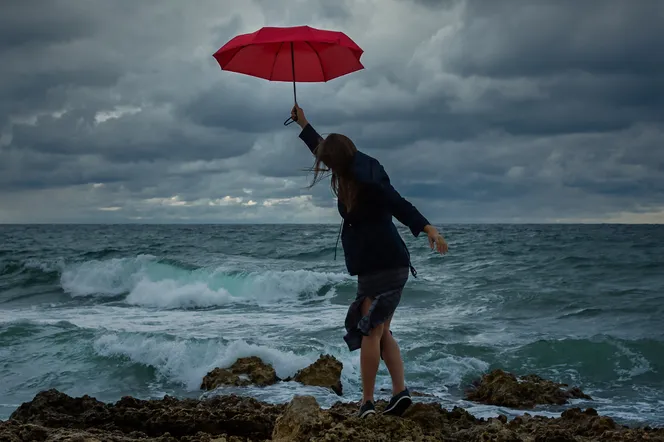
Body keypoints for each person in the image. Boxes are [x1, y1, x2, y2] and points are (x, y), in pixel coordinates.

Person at [290, 104, 449, 418]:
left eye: (329, 163)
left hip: (383, 265)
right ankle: (400, 392)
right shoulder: (351, 166)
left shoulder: (368, 181)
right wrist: (305, 124)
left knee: (370, 333)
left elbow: (398, 203)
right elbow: (323, 149)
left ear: (339, 162)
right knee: (380, 330)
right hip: (383, 264)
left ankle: (366, 403)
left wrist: (427, 227)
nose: (326, 168)